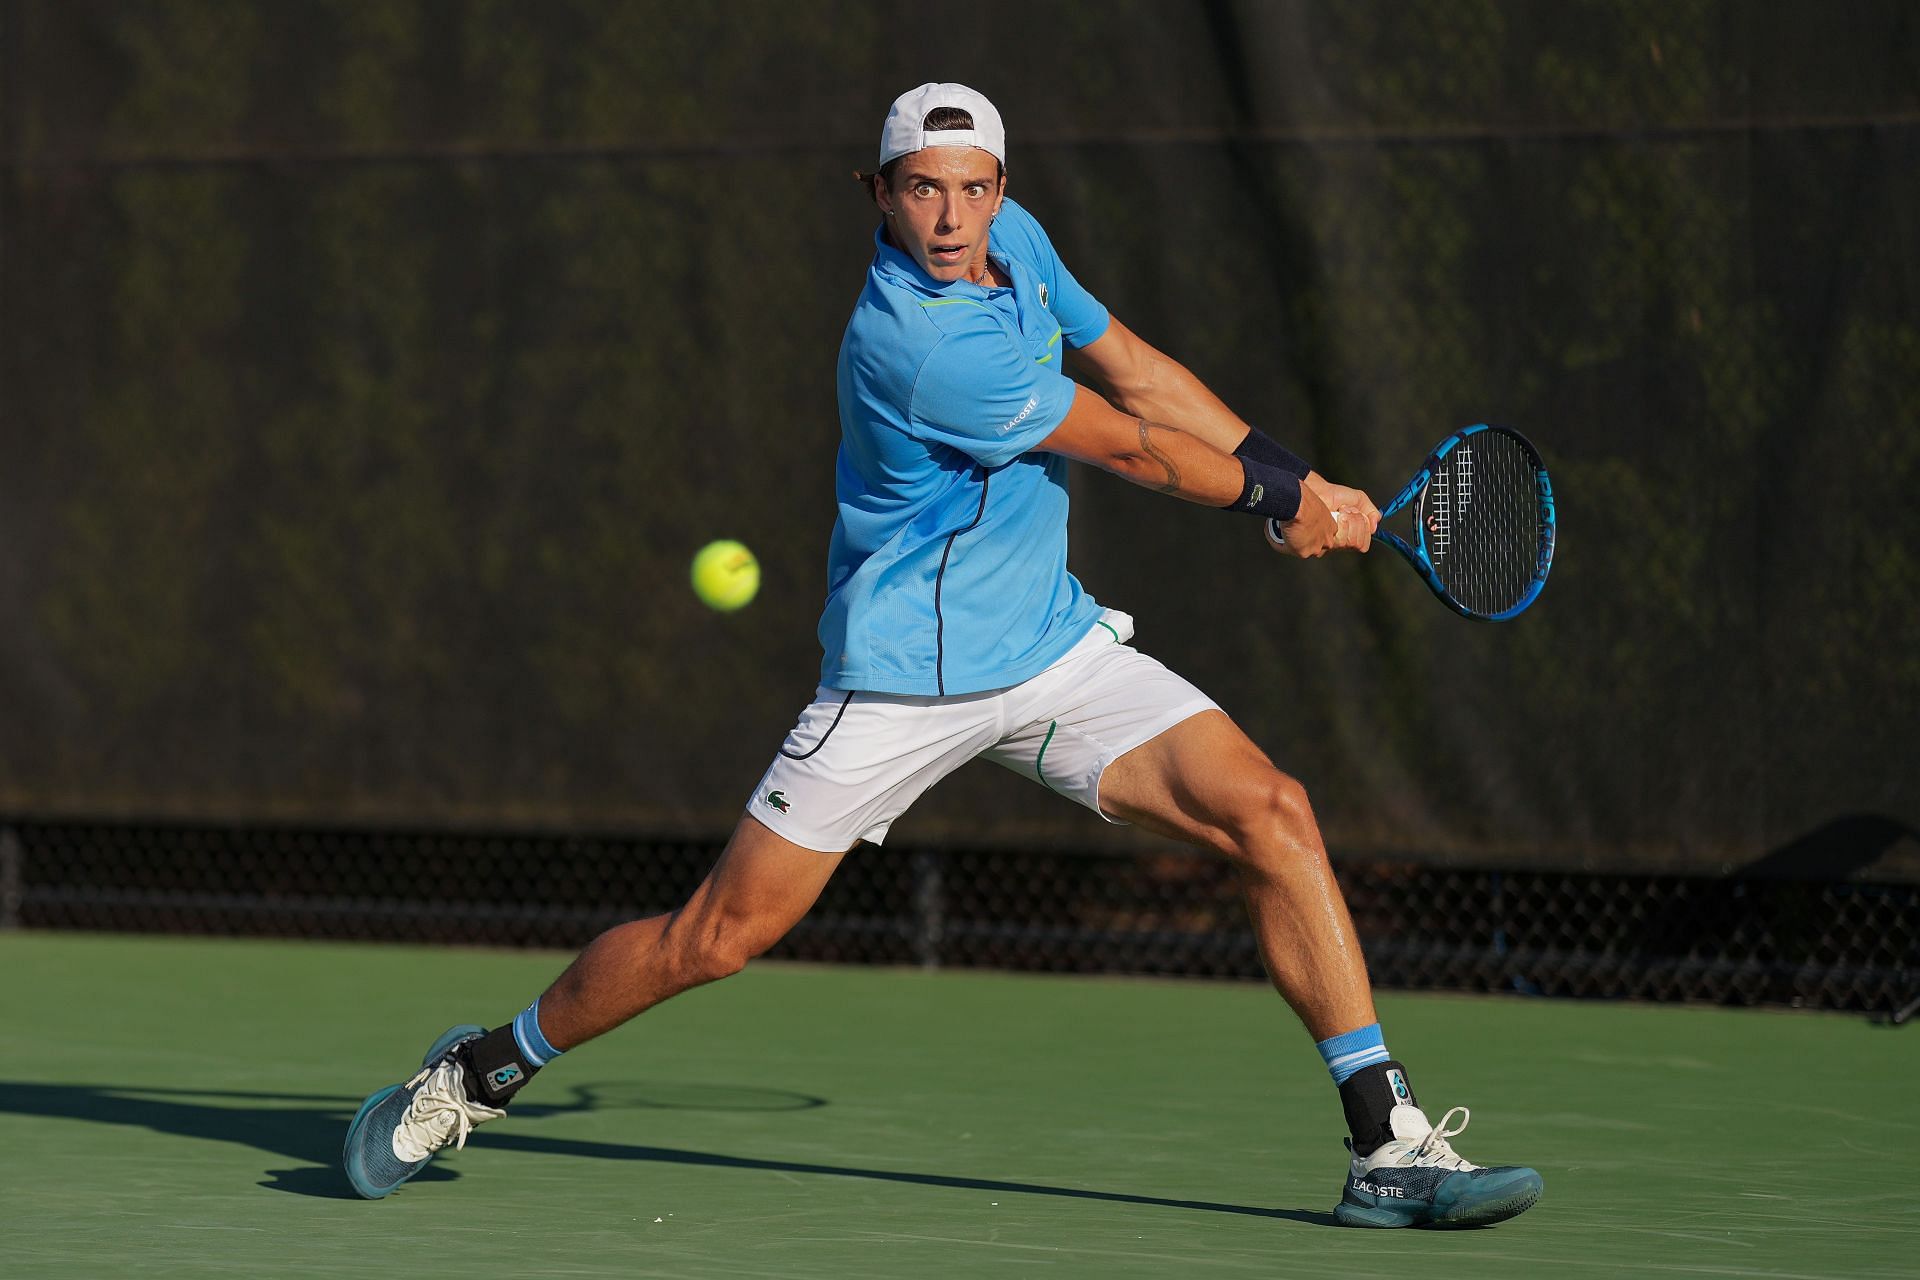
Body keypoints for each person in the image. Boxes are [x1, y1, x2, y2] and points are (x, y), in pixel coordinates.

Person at [343, 82, 1543, 1229]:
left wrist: (1297, 474)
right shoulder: (913, 344)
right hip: (901, 679)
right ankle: (479, 1070)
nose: (953, 217)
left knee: (1272, 812)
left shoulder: (1016, 238)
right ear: (878, 191)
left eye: (972, 187)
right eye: (923, 189)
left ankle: (1383, 1144)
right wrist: (1275, 505)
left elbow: (1136, 367)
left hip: (1048, 646)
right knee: (715, 937)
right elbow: (1127, 445)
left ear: (1003, 184)